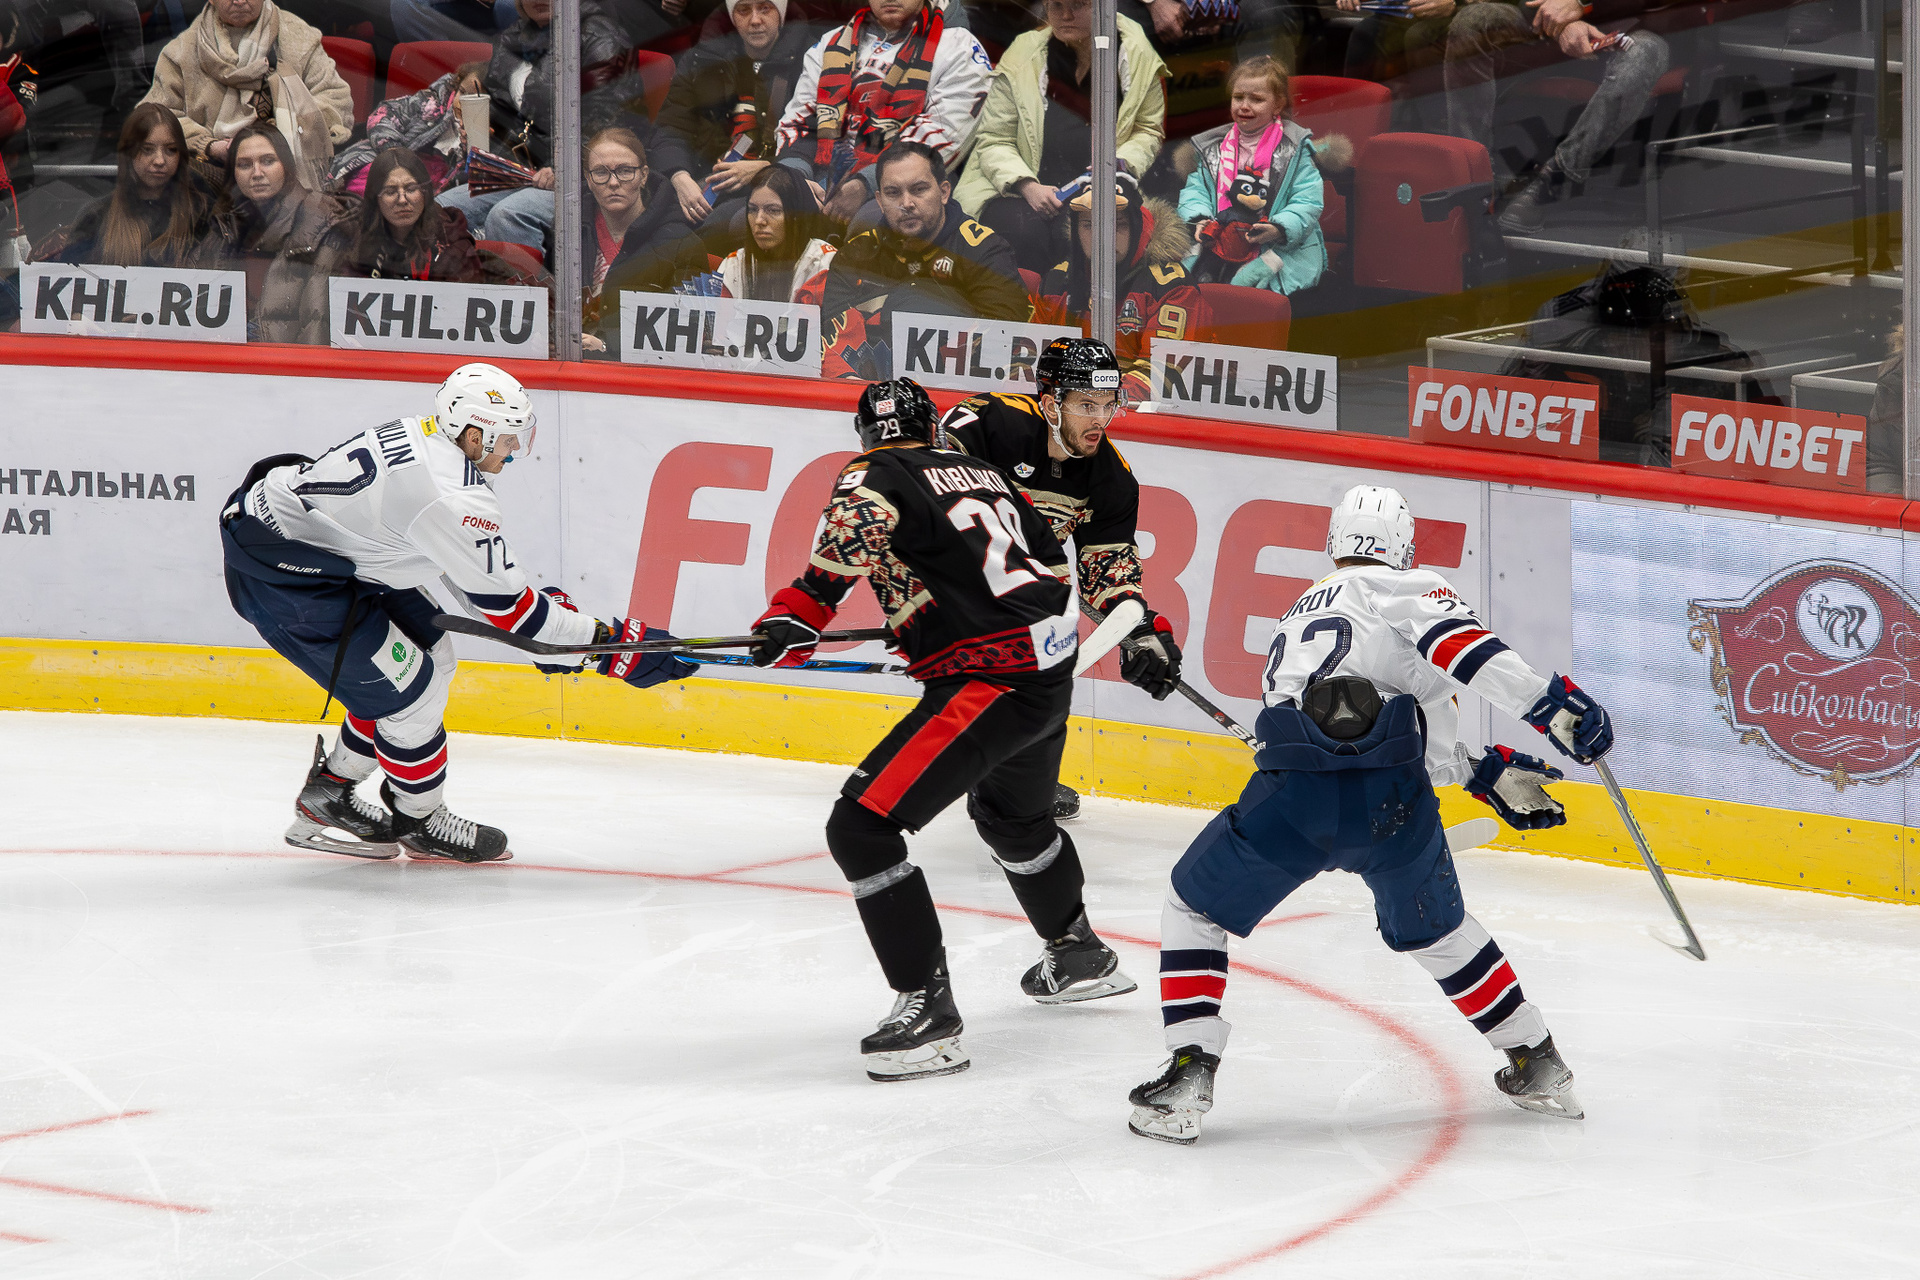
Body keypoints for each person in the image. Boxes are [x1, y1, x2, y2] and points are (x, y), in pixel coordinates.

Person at [1126, 484, 1607, 1144]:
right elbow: (1460, 658)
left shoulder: (1296, 614)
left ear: (1334, 545)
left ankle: (1189, 1073)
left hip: (1294, 802)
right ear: (1402, 549)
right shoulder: (1407, 587)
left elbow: (1298, 725)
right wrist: (1546, 709)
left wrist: (1479, 771)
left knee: (1193, 907)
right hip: (1394, 806)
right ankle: (1536, 1058)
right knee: (1441, 931)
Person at [749, 378, 1136, 1082]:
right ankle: (1078, 953)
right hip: (1050, 668)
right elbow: (1048, 568)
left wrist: (797, 615)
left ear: (866, 435)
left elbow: (852, 536)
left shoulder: (874, 470)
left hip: (993, 679)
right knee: (1013, 819)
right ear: (933, 427)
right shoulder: (983, 472)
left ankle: (929, 1016)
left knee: (861, 829)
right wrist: (944, 621)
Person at [220, 363, 696, 864]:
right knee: (414, 696)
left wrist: (558, 632)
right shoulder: (449, 493)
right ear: (475, 434)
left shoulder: (428, 438)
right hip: (288, 582)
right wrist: (615, 647)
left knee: (433, 657)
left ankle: (330, 791)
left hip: (313, 552)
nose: (514, 450)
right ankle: (420, 820)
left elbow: (475, 585)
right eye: (508, 439)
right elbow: (515, 616)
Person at [937, 337, 1183, 821]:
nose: (1100, 420)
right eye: (1087, 405)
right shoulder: (988, 423)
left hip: (1017, 592)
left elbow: (1107, 570)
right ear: (1051, 404)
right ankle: (1002, 769)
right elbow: (923, 483)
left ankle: (1015, 771)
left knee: (1052, 642)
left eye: (1109, 405)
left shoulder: (1111, 478)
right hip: (946, 567)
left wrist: (1138, 630)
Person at [953, 0, 1167, 276]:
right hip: (1015, 185)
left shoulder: (1136, 52)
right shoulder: (1024, 52)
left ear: (1102, 7)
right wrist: (1027, 185)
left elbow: (1148, 130)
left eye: (1077, 5)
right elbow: (995, 137)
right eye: (1056, 6)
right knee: (1021, 230)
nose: (1065, 15)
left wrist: (1118, 165)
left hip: (1103, 186)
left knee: (1083, 235)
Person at [1443, 0, 1669, 233]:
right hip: (1549, 22)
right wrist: (1562, 24)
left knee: (1644, 52)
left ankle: (1555, 179)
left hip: (1637, 27)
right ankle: (1472, 174)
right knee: (1474, 20)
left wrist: (1582, 5)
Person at [771, 0, 992, 227]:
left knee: (867, 222)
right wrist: (794, 179)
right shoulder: (832, 42)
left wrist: (864, 184)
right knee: (758, 207)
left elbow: (940, 137)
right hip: (818, 173)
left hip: (905, 189)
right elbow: (800, 118)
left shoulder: (960, 47)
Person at [820, 141, 1028, 380]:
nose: (906, 204)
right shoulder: (855, 254)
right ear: (879, 201)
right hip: (869, 389)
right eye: (893, 193)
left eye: (919, 189)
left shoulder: (985, 250)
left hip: (959, 389)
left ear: (944, 192)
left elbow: (1004, 345)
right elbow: (835, 343)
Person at [437, 0, 634, 249]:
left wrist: (564, 167)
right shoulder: (514, 36)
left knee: (507, 216)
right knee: (440, 210)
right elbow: (501, 107)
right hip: (522, 170)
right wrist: (486, 138)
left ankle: (531, 275)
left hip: (582, 176)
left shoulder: (600, 37)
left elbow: (608, 121)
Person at [1034, 174, 1207, 402]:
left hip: (1147, 417)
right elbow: (1025, 363)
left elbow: (1161, 376)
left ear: (1139, 226)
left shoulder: (1173, 287)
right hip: (1070, 410)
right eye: (1089, 225)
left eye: (1117, 225)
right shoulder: (1057, 281)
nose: (1103, 237)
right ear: (1075, 230)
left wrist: (1082, 399)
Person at [141, 0, 352, 179]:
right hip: (211, 169)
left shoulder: (298, 39)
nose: (240, 1)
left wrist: (280, 136)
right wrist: (209, 146)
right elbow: (152, 117)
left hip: (290, 167)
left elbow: (335, 98)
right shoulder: (180, 52)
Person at [654, 0, 817, 233]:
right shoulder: (702, 58)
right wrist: (680, 177)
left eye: (765, 8)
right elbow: (670, 128)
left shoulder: (810, 59)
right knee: (655, 224)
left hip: (776, 184)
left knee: (718, 228)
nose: (755, 20)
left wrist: (765, 169)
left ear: (781, 13)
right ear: (731, 16)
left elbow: (814, 135)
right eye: (743, 10)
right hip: (704, 181)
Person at [189, 122, 354, 345]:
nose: (257, 173)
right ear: (233, 173)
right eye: (244, 164)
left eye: (268, 161)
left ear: (286, 165)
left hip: (284, 358)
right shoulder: (224, 224)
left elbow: (318, 321)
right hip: (224, 350)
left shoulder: (320, 218)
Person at [1177, 55, 1327, 296]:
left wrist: (1279, 228)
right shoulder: (1214, 146)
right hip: (1218, 242)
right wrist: (1199, 218)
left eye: (1256, 99)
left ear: (1278, 105)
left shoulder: (1295, 147)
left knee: (1244, 294)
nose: (1244, 106)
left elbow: (1307, 200)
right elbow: (1197, 190)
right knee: (1197, 291)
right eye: (1238, 97)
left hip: (1278, 249)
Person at [567, 127, 706, 355]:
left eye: (625, 171)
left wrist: (606, 347)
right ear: (588, 179)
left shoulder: (682, 244)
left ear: (644, 175)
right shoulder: (566, 233)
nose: (613, 182)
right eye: (600, 172)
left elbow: (685, 336)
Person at [36, 104, 210, 268]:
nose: (159, 160)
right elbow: (75, 280)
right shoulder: (97, 216)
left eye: (171, 149)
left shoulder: (201, 213)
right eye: (147, 149)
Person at [327, 62, 489, 197]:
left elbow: (472, 183)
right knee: (371, 182)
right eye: (462, 92)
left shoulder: (486, 136)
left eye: (474, 98)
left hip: (431, 188)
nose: (462, 101)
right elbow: (383, 114)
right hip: (389, 159)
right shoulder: (433, 102)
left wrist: (469, 147)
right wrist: (395, 153)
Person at [331, 147, 488, 283]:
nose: (402, 200)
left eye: (411, 189)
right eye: (390, 191)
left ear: (425, 193)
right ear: (375, 198)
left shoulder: (451, 240)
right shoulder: (354, 241)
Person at [717, 163, 836, 302]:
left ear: (796, 216)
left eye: (773, 210)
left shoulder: (822, 263)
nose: (759, 220)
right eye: (753, 210)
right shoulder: (734, 264)